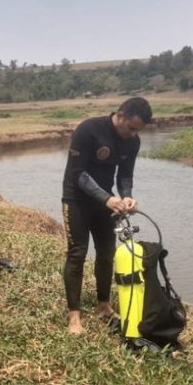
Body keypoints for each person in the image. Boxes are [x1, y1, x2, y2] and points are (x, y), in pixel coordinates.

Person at [61, 97, 152, 335]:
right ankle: (74, 316)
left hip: (105, 202)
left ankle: (103, 304)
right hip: (76, 200)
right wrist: (107, 199)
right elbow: (78, 174)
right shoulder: (89, 129)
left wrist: (127, 196)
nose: (132, 134)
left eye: (137, 131)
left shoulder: (132, 142)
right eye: (131, 128)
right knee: (77, 253)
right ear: (120, 115)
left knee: (106, 254)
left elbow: (125, 175)